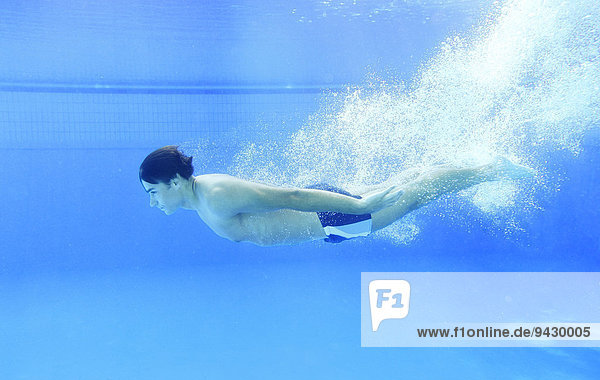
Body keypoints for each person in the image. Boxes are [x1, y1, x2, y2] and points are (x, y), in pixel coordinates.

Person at [139, 145, 533, 246]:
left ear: (174, 181)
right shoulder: (202, 198)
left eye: (152, 192)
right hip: (328, 225)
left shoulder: (216, 195)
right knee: (404, 184)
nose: (152, 202)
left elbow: (291, 195)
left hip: (331, 219)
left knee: (412, 197)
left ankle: (491, 170)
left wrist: (357, 208)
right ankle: (471, 164)